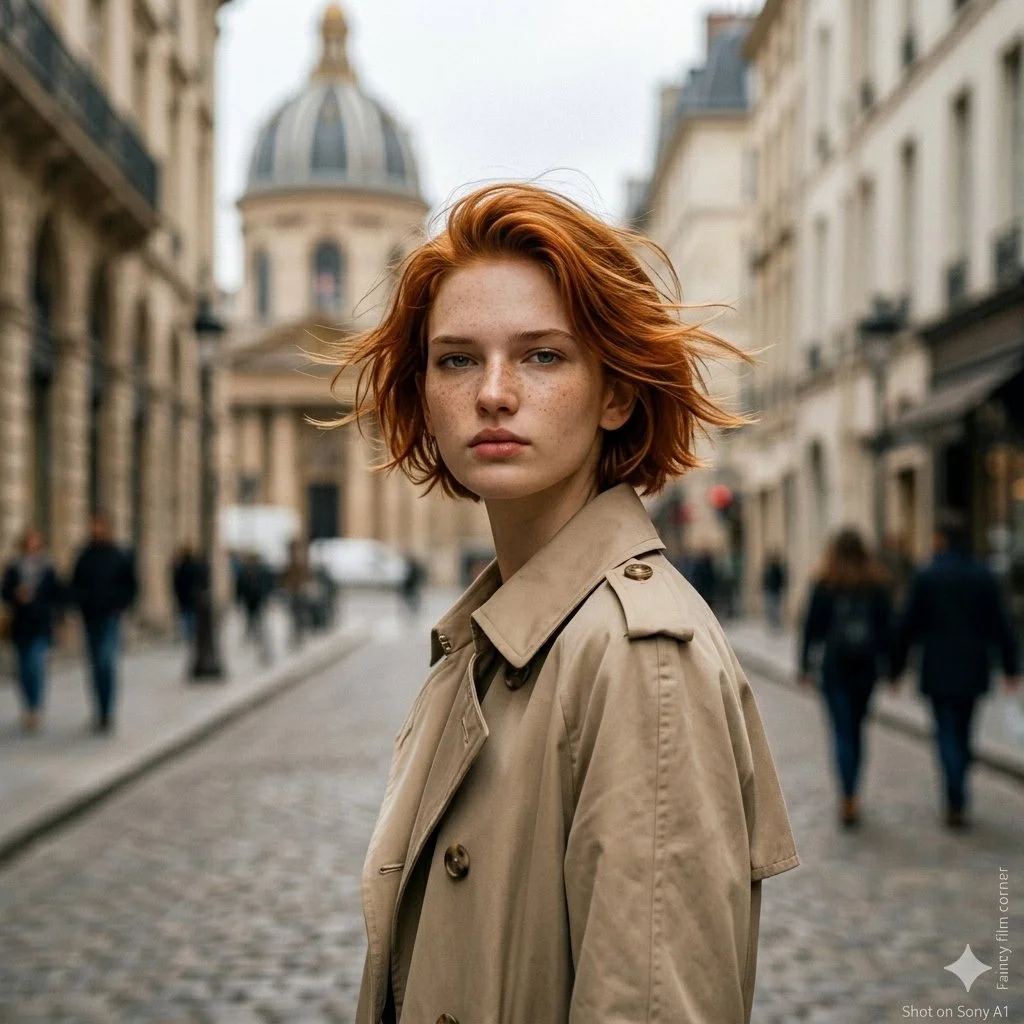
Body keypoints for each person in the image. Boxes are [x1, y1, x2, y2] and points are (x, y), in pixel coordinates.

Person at [326, 183, 800, 1023]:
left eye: (542, 356)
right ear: (425, 393)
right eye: (457, 359)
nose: (493, 392)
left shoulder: (641, 659)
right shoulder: (496, 636)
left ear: (616, 394)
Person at [891, 511, 1020, 830]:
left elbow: (908, 625)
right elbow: (1001, 623)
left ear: (941, 538)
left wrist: (895, 668)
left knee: (946, 733)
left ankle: (955, 795)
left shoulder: (926, 575)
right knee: (963, 732)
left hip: (938, 669)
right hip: (973, 668)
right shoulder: (982, 574)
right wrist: (1011, 667)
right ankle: (958, 787)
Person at [798, 529, 893, 828]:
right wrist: (891, 668)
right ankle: (854, 791)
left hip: (835, 668)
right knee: (857, 730)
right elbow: (887, 629)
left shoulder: (826, 582)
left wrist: (804, 666)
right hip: (865, 668)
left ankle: (847, 794)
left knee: (841, 731)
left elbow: (810, 627)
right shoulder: (876, 584)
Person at [71, 512, 137, 733]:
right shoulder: (85, 555)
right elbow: (75, 584)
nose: (97, 530)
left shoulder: (119, 555)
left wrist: (120, 605)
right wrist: (81, 602)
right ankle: (100, 710)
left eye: (100, 525)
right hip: (90, 617)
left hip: (110, 616)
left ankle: (107, 711)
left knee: (106, 660)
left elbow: (130, 584)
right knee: (94, 665)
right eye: (94, 525)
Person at [1, 528, 63, 733]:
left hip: (40, 625)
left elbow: (57, 594)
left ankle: (35, 706)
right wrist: (16, 594)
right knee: (23, 670)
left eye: (35, 542)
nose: (32, 546)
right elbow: (5, 593)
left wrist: (58, 618)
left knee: (35, 666)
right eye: (29, 542)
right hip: (20, 626)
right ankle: (27, 705)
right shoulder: (14, 567)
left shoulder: (48, 567)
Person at [235, 550, 275, 664]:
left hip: (258, 601)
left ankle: (262, 647)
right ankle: (254, 642)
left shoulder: (261, 571)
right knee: (253, 623)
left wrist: (267, 597)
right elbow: (240, 587)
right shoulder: (245, 572)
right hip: (250, 602)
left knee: (259, 624)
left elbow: (269, 584)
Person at [171, 545, 207, 643]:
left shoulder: (180, 568)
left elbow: (176, 583)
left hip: (183, 597)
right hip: (192, 597)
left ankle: (187, 635)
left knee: (185, 616)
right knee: (191, 616)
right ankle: (191, 634)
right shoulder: (195, 567)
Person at [762, 550, 788, 631]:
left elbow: (782, 580)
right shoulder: (769, 569)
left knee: (775, 608)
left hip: (776, 591)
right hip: (770, 590)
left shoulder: (778, 569)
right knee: (770, 608)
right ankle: (772, 623)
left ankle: (775, 623)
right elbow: (765, 579)